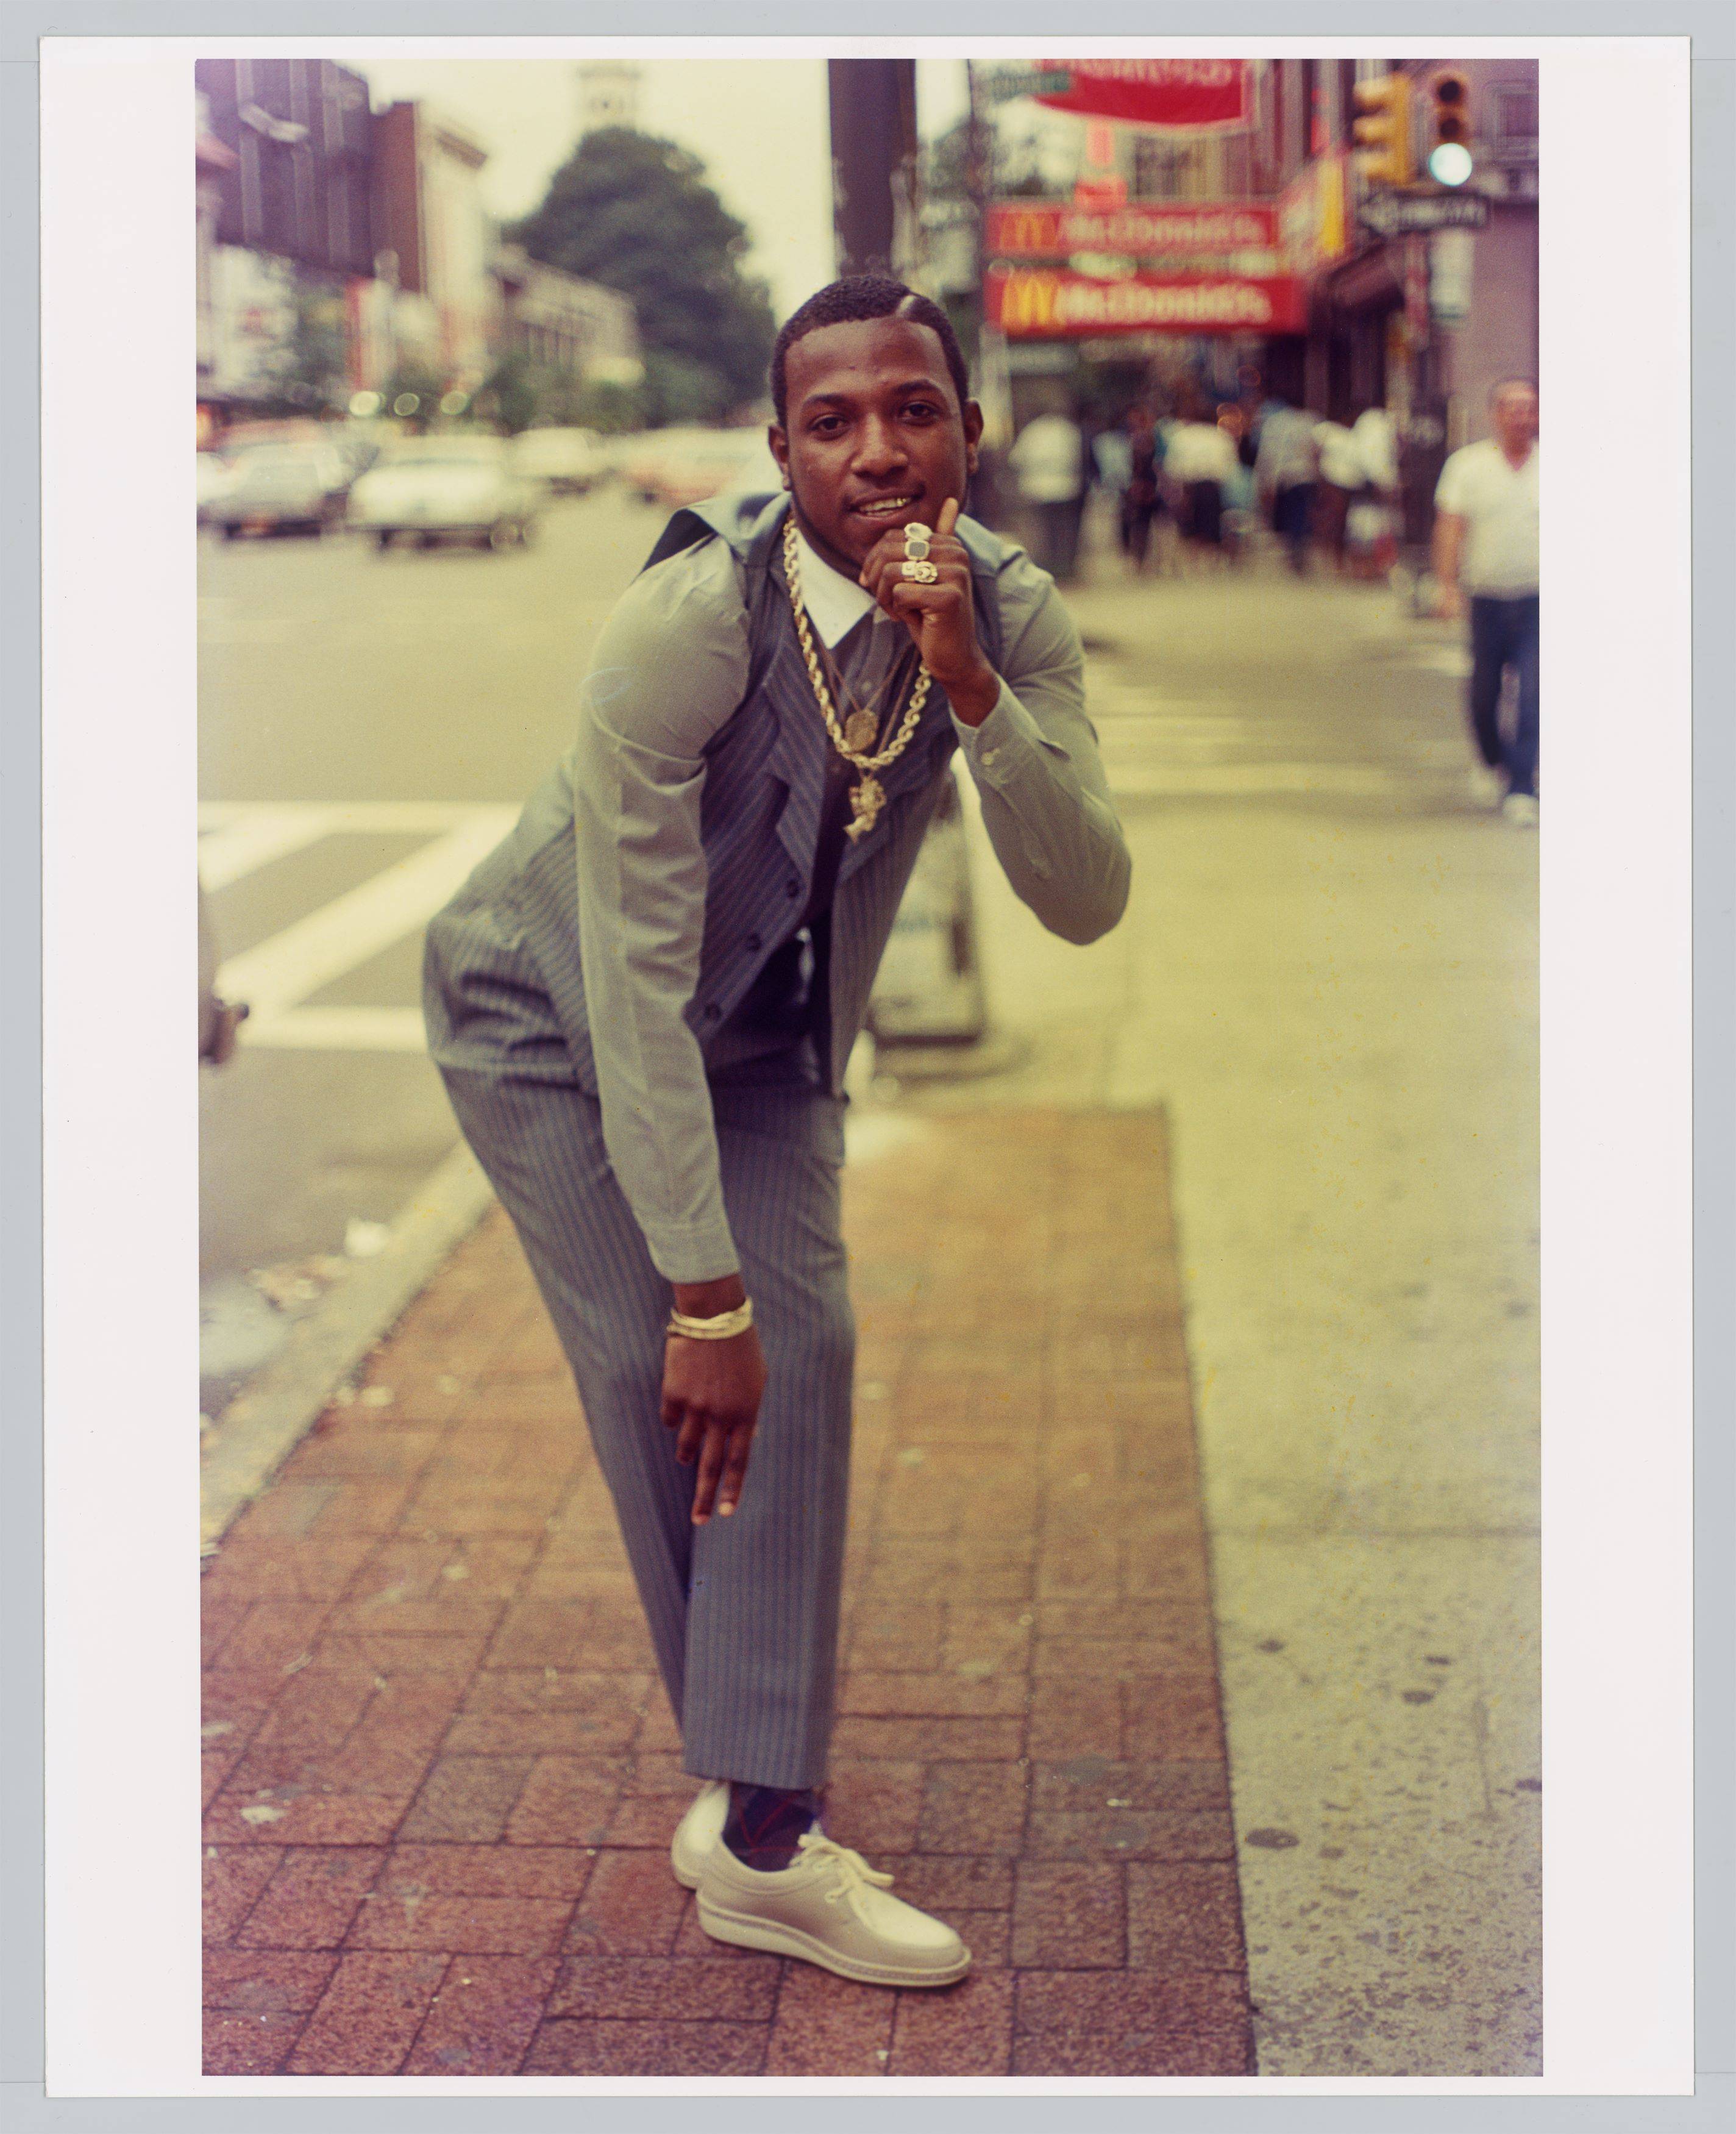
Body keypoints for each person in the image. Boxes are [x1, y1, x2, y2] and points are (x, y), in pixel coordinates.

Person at [422, 276, 1131, 1988]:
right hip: (548, 1013)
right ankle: (764, 1820)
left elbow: (1084, 895)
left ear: (971, 430)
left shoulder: (1009, 610)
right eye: (833, 422)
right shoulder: (687, 626)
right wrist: (702, 1291)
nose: (877, 451)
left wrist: (971, 683)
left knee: (796, 1354)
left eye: (913, 409)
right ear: (780, 451)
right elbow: (630, 982)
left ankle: (750, 1812)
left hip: (767, 1035)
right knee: (667, 1368)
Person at [1432, 379, 1540, 824]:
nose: (1520, 416)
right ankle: (1492, 759)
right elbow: (1450, 527)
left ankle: (1522, 784)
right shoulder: (1468, 466)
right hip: (1487, 597)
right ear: (1495, 414)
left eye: (1529, 408)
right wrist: (1447, 586)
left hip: (1538, 598)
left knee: (1534, 691)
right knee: (1484, 693)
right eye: (1511, 408)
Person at [1008, 401, 1087, 581]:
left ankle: (1049, 567)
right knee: (1065, 531)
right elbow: (1078, 457)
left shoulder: (1031, 431)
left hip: (1038, 489)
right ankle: (1065, 567)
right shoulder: (1067, 429)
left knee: (1045, 532)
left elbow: (1016, 459)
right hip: (1066, 488)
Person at [1163, 395, 1239, 568]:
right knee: (1210, 523)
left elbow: (1171, 468)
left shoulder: (1181, 436)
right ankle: (1210, 560)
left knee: (1190, 525)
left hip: (1189, 487)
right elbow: (1230, 468)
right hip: (1212, 486)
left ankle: (1193, 560)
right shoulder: (1221, 437)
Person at [1254, 396, 1320, 574]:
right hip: (1305, 476)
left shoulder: (1275, 423)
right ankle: (1298, 551)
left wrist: (1267, 481)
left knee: (1291, 516)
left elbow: (1269, 453)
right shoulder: (1311, 421)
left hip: (1286, 476)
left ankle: (1295, 552)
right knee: (1301, 515)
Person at [1117, 404, 1167, 574]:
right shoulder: (1125, 441)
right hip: (1132, 487)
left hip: (1150, 487)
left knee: (1148, 525)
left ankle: (1148, 560)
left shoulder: (1154, 440)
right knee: (1131, 524)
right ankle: (1134, 558)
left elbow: (1159, 465)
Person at [1312, 411, 1365, 570]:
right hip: (1330, 480)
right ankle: (1328, 554)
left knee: (1341, 520)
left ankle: (1337, 558)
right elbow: (1314, 450)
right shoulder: (1327, 429)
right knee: (1332, 517)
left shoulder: (1354, 436)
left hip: (1349, 483)